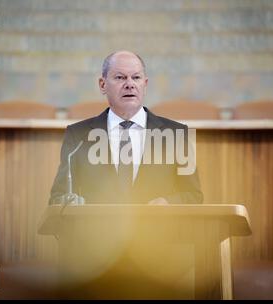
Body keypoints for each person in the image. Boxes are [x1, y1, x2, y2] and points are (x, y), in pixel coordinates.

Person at [49, 50, 203, 205]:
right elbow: (59, 197)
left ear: (145, 84)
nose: (129, 84)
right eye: (120, 77)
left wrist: (168, 203)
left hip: (157, 228)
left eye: (136, 77)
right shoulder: (78, 135)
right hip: (98, 229)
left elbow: (194, 196)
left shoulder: (177, 135)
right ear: (103, 85)